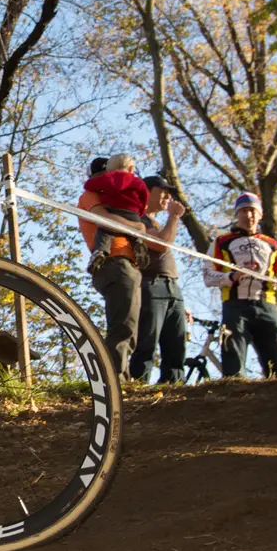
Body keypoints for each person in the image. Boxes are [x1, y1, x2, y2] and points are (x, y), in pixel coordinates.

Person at [202, 192, 277, 378]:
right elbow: (208, 276)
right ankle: (234, 400)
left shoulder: (273, 245)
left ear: (260, 215)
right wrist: (233, 276)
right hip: (235, 305)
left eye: (252, 211)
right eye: (243, 211)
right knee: (233, 366)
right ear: (237, 214)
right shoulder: (222, 242)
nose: (248, 215)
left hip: (267, 306)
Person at [78, 158, 147, 380]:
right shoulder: (90, 196)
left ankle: (122, 377)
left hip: (128, 263)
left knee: (130, 325)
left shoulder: (114, 197)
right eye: (103, 175)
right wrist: (137, 226)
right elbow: (105, 220)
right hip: (113, 261)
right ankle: (113, 379)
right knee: (122, 326)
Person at [129, 177, 188, 383]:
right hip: (151, 285)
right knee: (146, 343)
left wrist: (179, 298)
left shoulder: (155, 222)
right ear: (147, 191)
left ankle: (174, 389)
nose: (167, 196)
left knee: (176, 345)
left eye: (169, 192)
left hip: (172, 287)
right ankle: (138, 387)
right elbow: (160, 244)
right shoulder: (137, 219)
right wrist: (173, 217)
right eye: (162, 191)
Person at [84, 153, 150, 275]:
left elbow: (89, 185)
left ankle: (100, 251)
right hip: (133, 213)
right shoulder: (138, 182)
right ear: (131, 169)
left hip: (114, 210)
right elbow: (145, 196)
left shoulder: (109, 178)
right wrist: (140, 213)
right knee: (134, 234)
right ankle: (139, 243)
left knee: (104, 231)